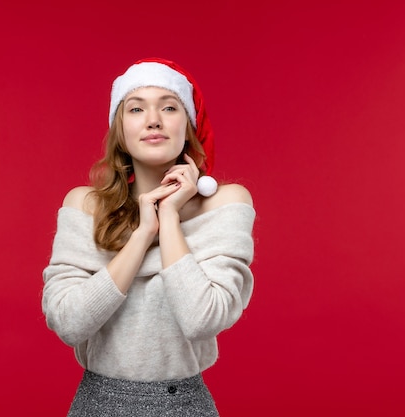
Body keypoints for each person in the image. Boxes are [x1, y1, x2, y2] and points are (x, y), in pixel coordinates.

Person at [42, 57, 256, 416]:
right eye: (136, 108)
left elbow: (202, 318)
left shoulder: (225, 203)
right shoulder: (85, 205)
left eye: (169, 107)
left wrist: (169, 217)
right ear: (120, 130)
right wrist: (143, 234)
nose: (153, 119)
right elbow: (68, 323)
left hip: (184, 405)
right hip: (98, 403)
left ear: (187, 126)